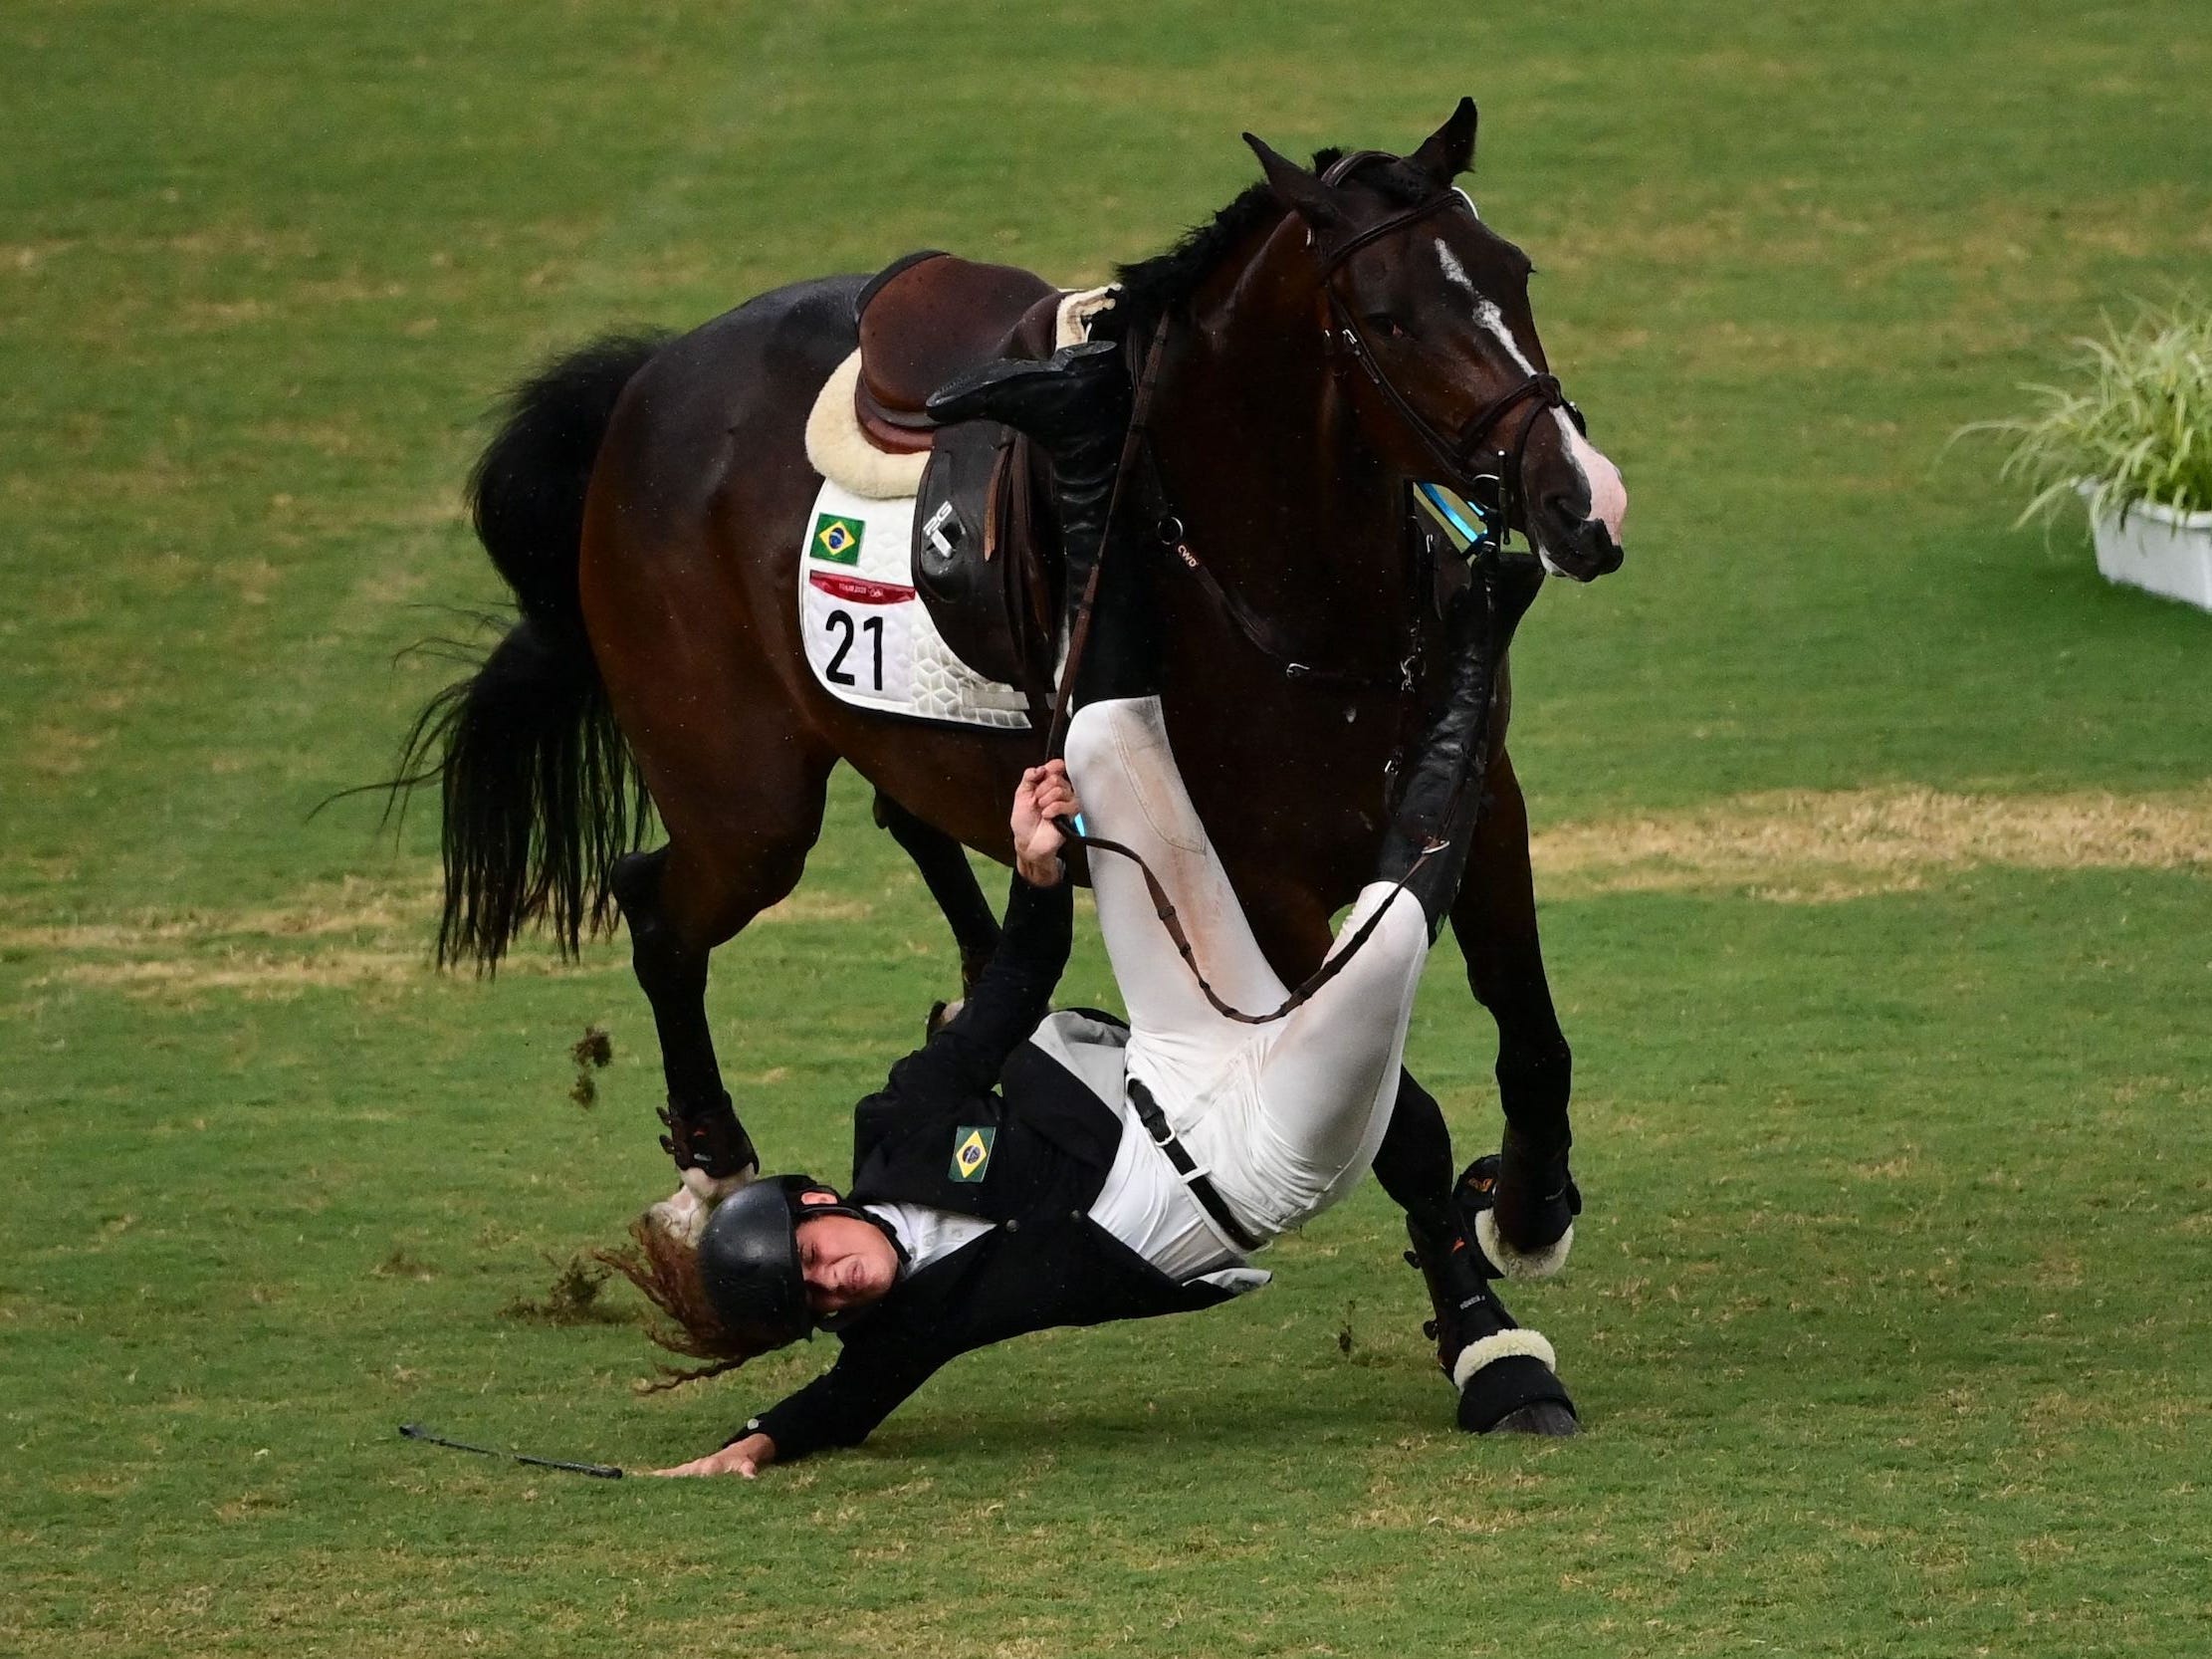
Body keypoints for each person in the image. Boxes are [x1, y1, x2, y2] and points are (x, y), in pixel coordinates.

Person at [621, 343, 1574, 1478]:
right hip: (1257, 1161)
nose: (829, 1282)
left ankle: (1084, 447)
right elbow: (844, 1400)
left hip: (1172, 1059)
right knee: (1374, 953)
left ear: (813, 1198)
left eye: (807, 1254)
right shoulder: (907, 1324)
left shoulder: (905, 1121)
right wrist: (746, 1446)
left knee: (1102, 753)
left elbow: (1016, 988)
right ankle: (1476, 634)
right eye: (811, 1298)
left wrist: (1032, 866)